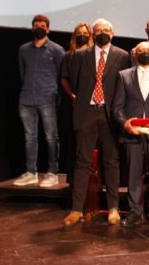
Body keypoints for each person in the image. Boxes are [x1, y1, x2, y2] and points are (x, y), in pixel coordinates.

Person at [62, 18, 131, 227]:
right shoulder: (81, 56)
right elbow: (74, 81)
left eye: (107, 30)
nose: (103, 33)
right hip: (87, 112)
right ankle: (76, 210)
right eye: (99, 30)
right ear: (93, 33)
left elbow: (123, 86)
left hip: (109, 114)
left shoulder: (122, 56)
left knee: (111, 161)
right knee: (82, 161)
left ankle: (113, 208)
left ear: (113, 32)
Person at [113, 42, 149, 227]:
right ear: (135, 54)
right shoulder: (124, 75)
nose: (145, 53)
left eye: (148, 51)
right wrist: (125, 123)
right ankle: (135, 210)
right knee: (133, 174)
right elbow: (117, 107)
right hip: (132, 133)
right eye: (141, 51)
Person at [13, 14, 65, 188]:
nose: (39, 28)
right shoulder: (23, 50)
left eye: (42, 25)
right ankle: (31, 172)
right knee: (29, 138)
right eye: (36, 25)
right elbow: (22, 73)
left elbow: (61, 75)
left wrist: (53, 93)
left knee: (51, 137)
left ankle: (52, 173)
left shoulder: (57, 50)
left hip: (47, 98)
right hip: (26, 98)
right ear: (32, 28)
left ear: (48, 29)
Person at [60, 22, 94, 185]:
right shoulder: (69, 56)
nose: (82, 35)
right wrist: (72, 95)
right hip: (74, 104)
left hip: (94, 104)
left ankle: (93, 180)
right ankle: (74, 181)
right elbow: (64, 78)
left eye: (85, 32)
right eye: (79, 33)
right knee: (75, 142)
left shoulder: (96, 55)